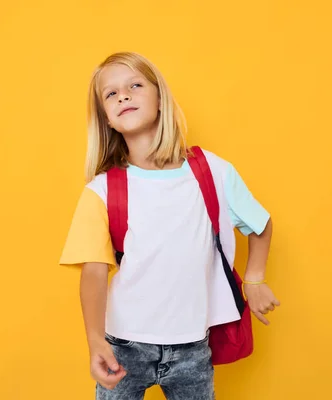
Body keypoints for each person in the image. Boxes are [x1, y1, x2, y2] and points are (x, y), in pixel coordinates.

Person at [59, 51, 280, 400]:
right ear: (106, 119)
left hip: (193, 348)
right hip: (124, 346)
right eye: (111, 94)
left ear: (160, 99)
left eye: (135, 85)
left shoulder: (212, 171)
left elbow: (260, 224)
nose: (124, 96)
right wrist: (95, 340)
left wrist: (254, 279)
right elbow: (94, 272)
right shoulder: (101, 190)